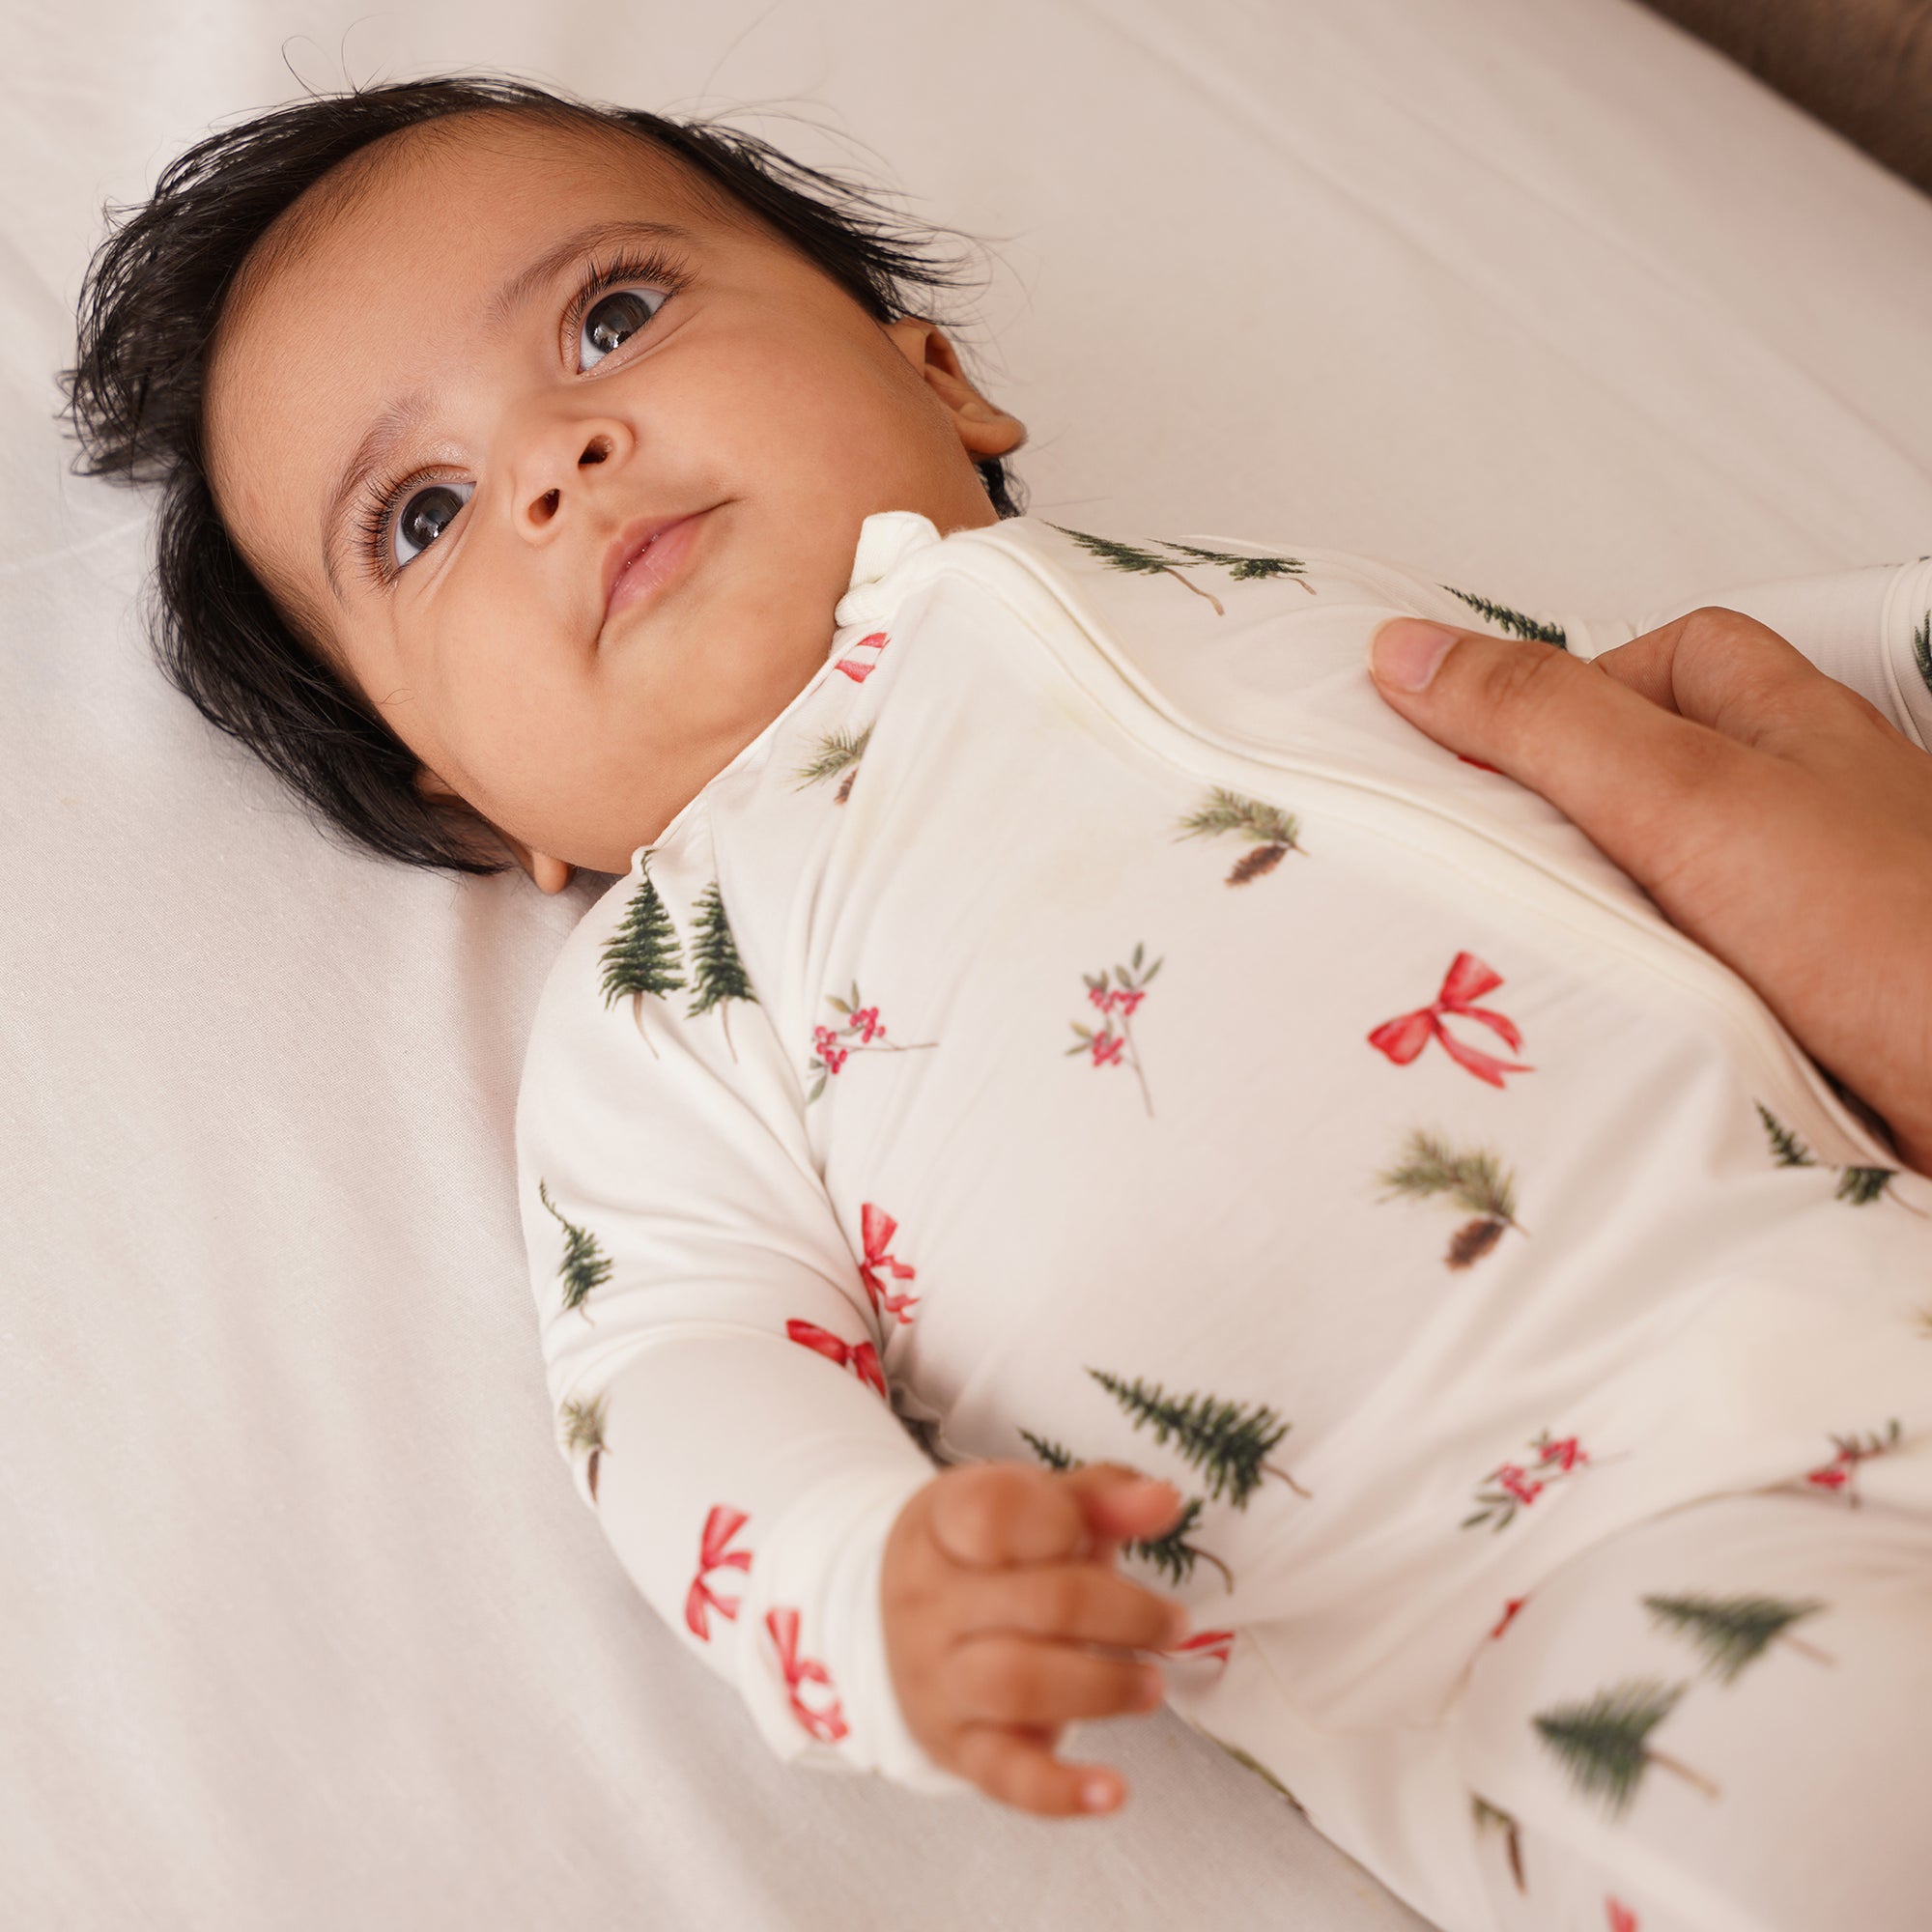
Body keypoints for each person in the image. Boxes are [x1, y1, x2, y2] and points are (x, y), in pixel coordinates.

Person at [62, 75, 1932, 1932]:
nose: (555, 460)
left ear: (936, 377)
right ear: (467, 796)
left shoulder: (1245, 596)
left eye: (610, 318)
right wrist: (855, 1580)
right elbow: (675, 1369)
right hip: (1572, 1601)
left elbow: (1678, 710)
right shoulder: (671, 1006)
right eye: (425, 515)